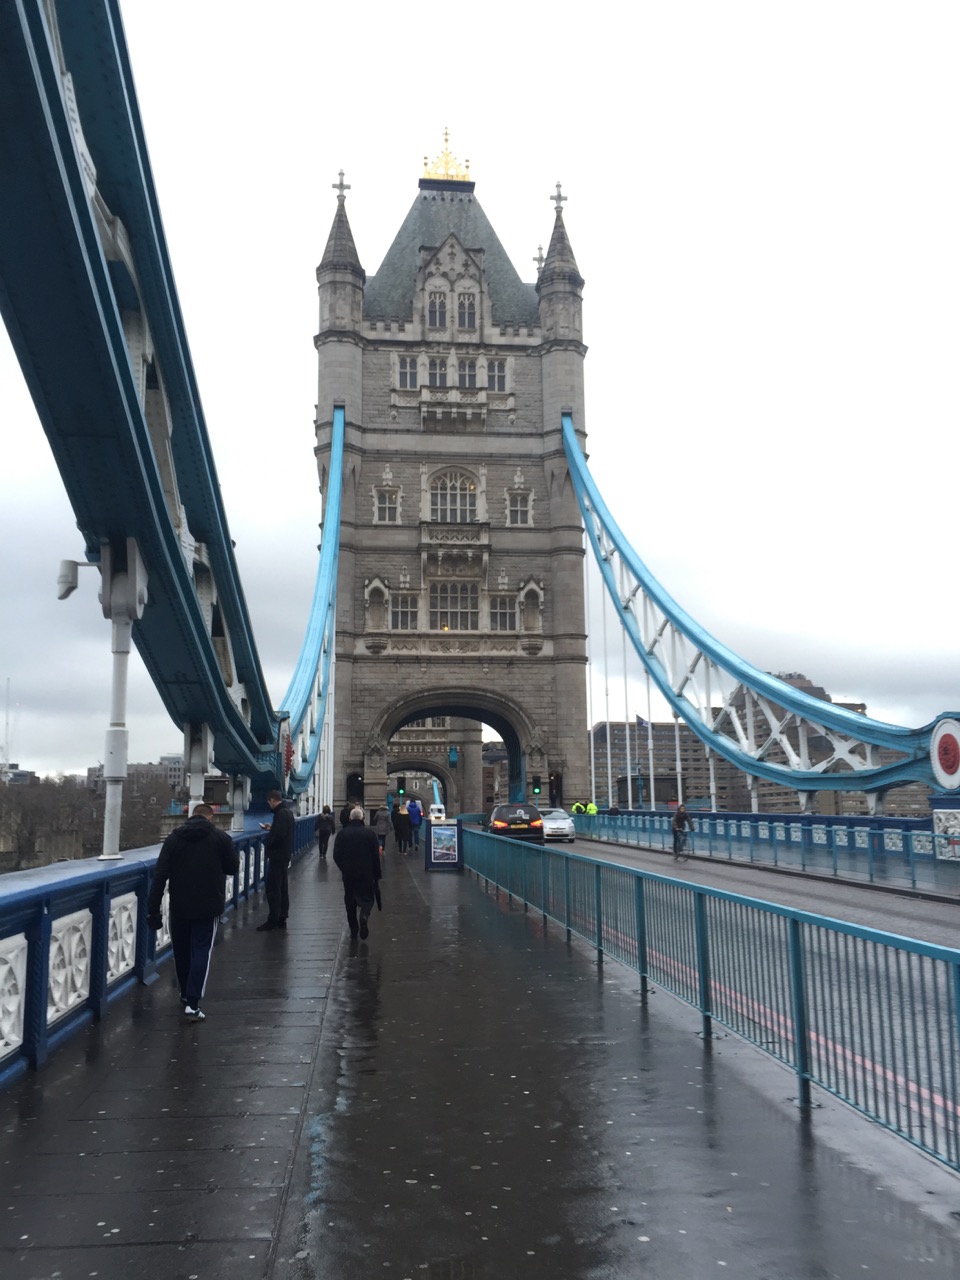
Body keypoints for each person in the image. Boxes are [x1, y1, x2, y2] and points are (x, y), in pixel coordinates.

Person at [146, 803, 239, 1022]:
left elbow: (159, 876)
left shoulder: (174, 838)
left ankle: (184, 994)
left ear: (191, 816)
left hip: (179, 905)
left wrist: (153, 910)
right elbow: (232, 868)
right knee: (201, 951)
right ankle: (193, 1003)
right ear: (210, 817)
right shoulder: (221, 838)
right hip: (209, 905)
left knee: (181, 952)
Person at [333, 805, 383, 939]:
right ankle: (364, 916)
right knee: (367, 898)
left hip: (349, 873)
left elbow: (336, 855)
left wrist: (344, 868)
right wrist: (377, 874)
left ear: (350, 818)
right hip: (366, 873)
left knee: (350, 900)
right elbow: (375, 856)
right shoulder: (370, 834)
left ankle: (354, 929)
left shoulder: (342, 834)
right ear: (362, 819)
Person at [257, 790, 294, 931]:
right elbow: (283, 831)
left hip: (278, 855)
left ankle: (273, 919)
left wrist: (269, 843)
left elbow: (279, 835)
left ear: (273, 800)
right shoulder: (287, 812)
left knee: (273, 888)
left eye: (269, 802)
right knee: (282, 887)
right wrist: (271, 829)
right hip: (284, 854)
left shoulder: (280, 814)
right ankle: (282, 916)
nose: (269, 805)